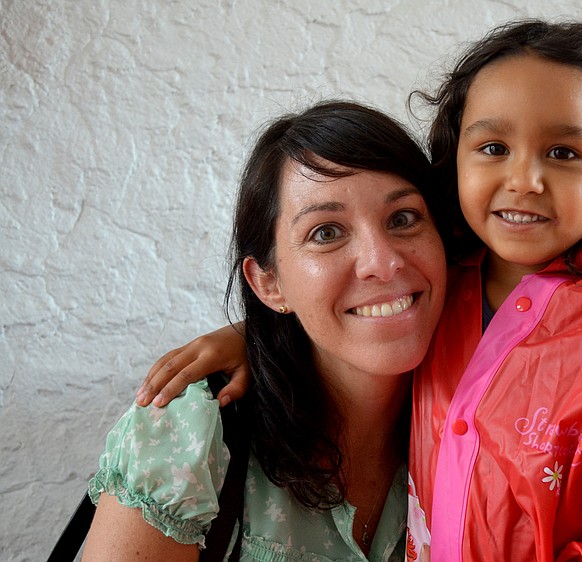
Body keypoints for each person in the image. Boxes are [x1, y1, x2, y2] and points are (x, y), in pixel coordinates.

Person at [137, 20, 582, 561]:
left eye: (564, 152)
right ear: (456, 159)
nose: (524, 180)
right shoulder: (444, 286)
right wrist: (250, 336)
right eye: (494, 148)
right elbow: (353, 318)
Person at [82, 101, 447, 562]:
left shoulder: (480, 430)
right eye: (327, 232)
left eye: (402, 218)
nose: (383, 261)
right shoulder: (193, 434)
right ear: (268, 283)